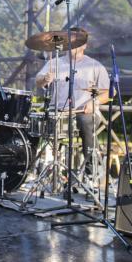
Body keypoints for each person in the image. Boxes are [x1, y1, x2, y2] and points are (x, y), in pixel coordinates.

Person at [34, 29, 109, 175]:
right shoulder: (54, 62)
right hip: (58, 113)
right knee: (33, 122)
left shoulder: (95, 65)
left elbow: (109, 92)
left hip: (83, 113)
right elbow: (38, 81)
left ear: (84, 45)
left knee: (84, 120)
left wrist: (95, 102)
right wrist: (45, 79)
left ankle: (91, 173)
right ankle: (28, 169)